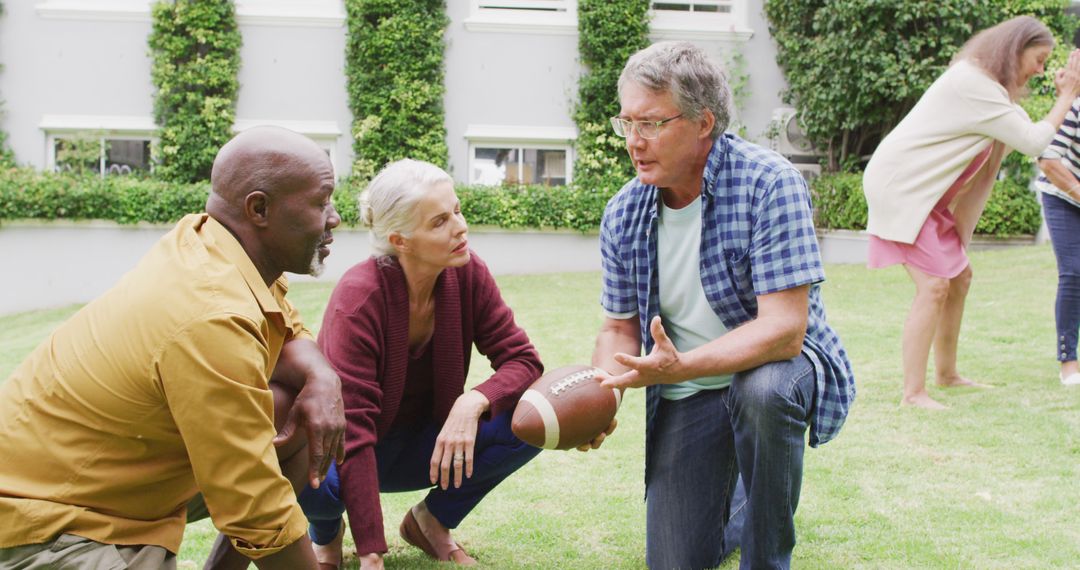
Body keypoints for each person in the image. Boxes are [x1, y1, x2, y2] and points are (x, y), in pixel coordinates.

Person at [0, 126, 346, 570]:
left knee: (292, 408)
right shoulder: (211, 312)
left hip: (119, 489)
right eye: (321, 202)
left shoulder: (209, 243)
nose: (333, 217)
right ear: (259, 208)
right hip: (49, 523)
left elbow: (287, 330)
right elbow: (255, 502)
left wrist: (322, 377)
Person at [590, 41, 855, 570]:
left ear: (703, 121)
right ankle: (743, 498)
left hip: (773, 371)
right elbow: (619, 327)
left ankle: (766, 554)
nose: (634, 142)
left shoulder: (769, 183)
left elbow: (784, 331)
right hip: (686, 392)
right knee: (675, 561)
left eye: (651, 123)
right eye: (627, 123)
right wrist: (602, 394)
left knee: (762, 392)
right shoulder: (623, 211)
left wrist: (681, 364)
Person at [298, 159, 543, 570]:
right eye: (439, 222)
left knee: (535, 417)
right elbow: (353, 432)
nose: (460, 227)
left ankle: (431, 522)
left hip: (426, 446)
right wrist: (371, 554)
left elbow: (523, 360)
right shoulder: (359, 299)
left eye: (458, 211)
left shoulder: (468, 273)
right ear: (401, 240)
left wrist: (473, 402)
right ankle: (325, 536)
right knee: (305, 468)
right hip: (349, 452)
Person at [863, 16, 1080, 409]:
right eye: (1039, 59)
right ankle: (913, 393)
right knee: (933, 286)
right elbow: (1034, 142)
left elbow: (1011, 147)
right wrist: (1067, 96)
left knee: (959, 276)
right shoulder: (974, 84)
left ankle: (947, 374)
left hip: (924, 194)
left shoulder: (991, 90)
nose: (1041, 70)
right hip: (902, 188)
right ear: (1016, 50)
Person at [1036, 97, 1080, 386]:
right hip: (1061, 193)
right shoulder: (1077, 108)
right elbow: (1047, 158)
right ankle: (1068, 360)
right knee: (1075, 270)